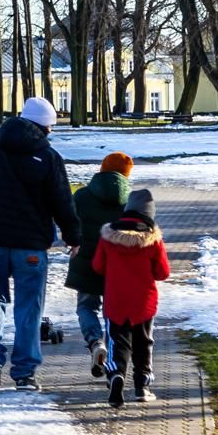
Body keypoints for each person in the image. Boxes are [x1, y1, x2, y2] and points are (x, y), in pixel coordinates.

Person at [0, 96, 80, 390]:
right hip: (31, 245)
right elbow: (62, 201)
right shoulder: (47, 156)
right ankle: (25, 373)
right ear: (44, 127)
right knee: (29, 307)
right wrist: (73, 236)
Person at [93, 188, 170, 407]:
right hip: (143, 303)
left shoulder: (108, 236)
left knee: (118, 342)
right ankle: (142, 387)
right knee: (144, 343)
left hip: (115, 301)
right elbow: (163, 272)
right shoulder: (153, 239)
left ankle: (116, 375)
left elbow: (98, 266)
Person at [65, 152, 133, 379]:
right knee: (114, 312)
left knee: (86, 306)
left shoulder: (82, 195)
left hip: (86, 260)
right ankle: (114, 358)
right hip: (118, 265)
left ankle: (95, 342)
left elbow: (69, 223)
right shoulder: (129, 200)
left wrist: (71, 242)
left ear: (102, 169)